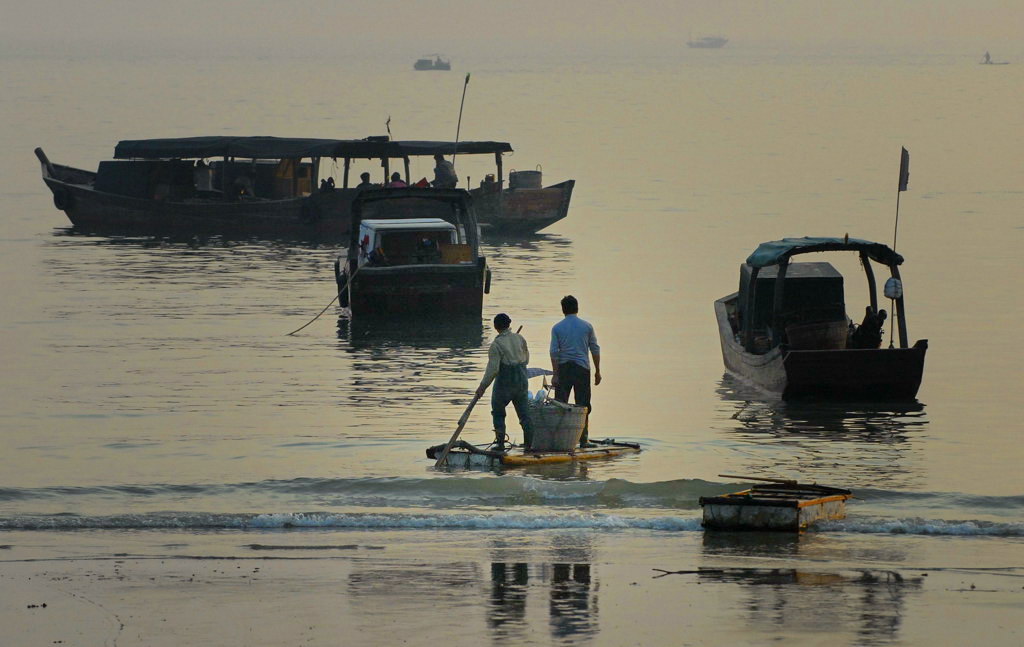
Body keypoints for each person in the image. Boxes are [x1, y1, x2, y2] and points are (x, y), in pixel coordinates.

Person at [476, 313, 533, 450]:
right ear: (509, 324)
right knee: (524, 414)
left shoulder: (496, 345)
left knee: (498, 412)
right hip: (521, 380)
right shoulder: (520, 338)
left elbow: (493, 370)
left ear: (496, 327)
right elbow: (526, 360)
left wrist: (482, 387)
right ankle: (529, 444)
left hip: (505, 383)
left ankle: (500, 444)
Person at [549, 295, 600, 447]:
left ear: (563, 309)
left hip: (564, 368)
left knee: (560, 404)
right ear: (577, 308)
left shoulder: (557, 327)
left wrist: (555, 374)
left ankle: (559, 440)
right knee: (583, 404)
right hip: (582, 369)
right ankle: (583, 440)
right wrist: (598, 371)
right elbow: (595, 349)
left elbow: (553, 352)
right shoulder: (587, 326)